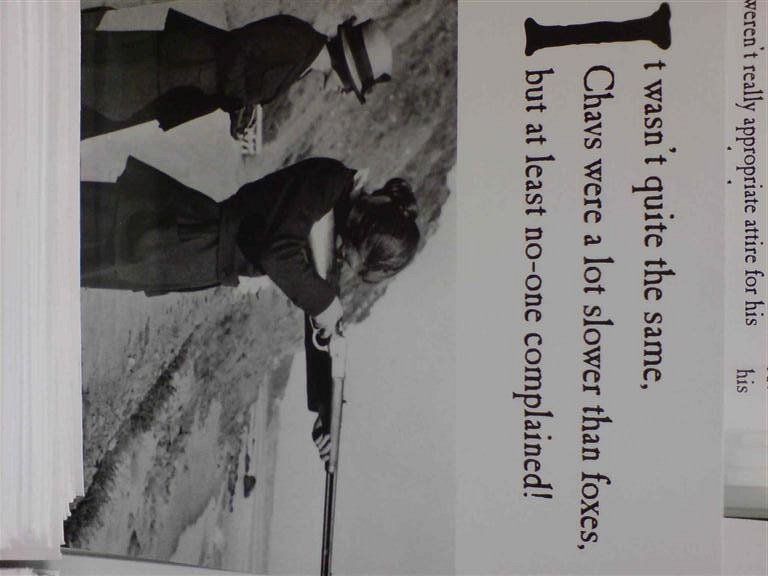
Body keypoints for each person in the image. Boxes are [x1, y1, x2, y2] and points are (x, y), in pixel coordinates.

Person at [81, 7, 393, 140]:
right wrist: (239, 102)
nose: (343, 92)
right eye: (349, 87)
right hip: (177, 70)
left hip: (181, 81)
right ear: (345, 69)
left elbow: (248, 70)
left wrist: (241, 112)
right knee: (94, 88)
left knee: (97, 106)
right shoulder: (298, 41)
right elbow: (239, 47)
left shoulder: (304, 58)